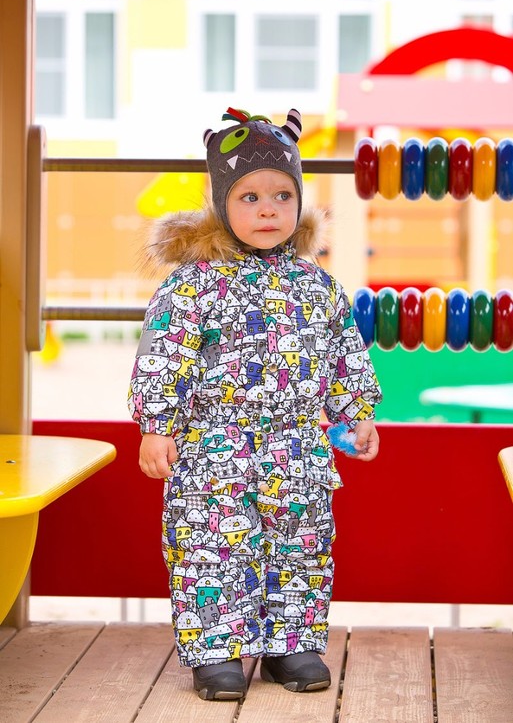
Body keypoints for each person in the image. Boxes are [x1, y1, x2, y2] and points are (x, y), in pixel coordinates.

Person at [128, 107, 382, 701]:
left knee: (300, 542)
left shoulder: (317, 284)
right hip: (212, 448)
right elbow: (164, 354)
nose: (268, 210)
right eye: (249, 197)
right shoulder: (192, 284)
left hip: (296, 447)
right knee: (211, 548)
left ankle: (291, 645)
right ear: (221, 205)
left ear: (299, 204)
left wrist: (355, 412)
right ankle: (217, 650)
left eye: (281, 196)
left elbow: (342, 349)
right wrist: (157, 424)